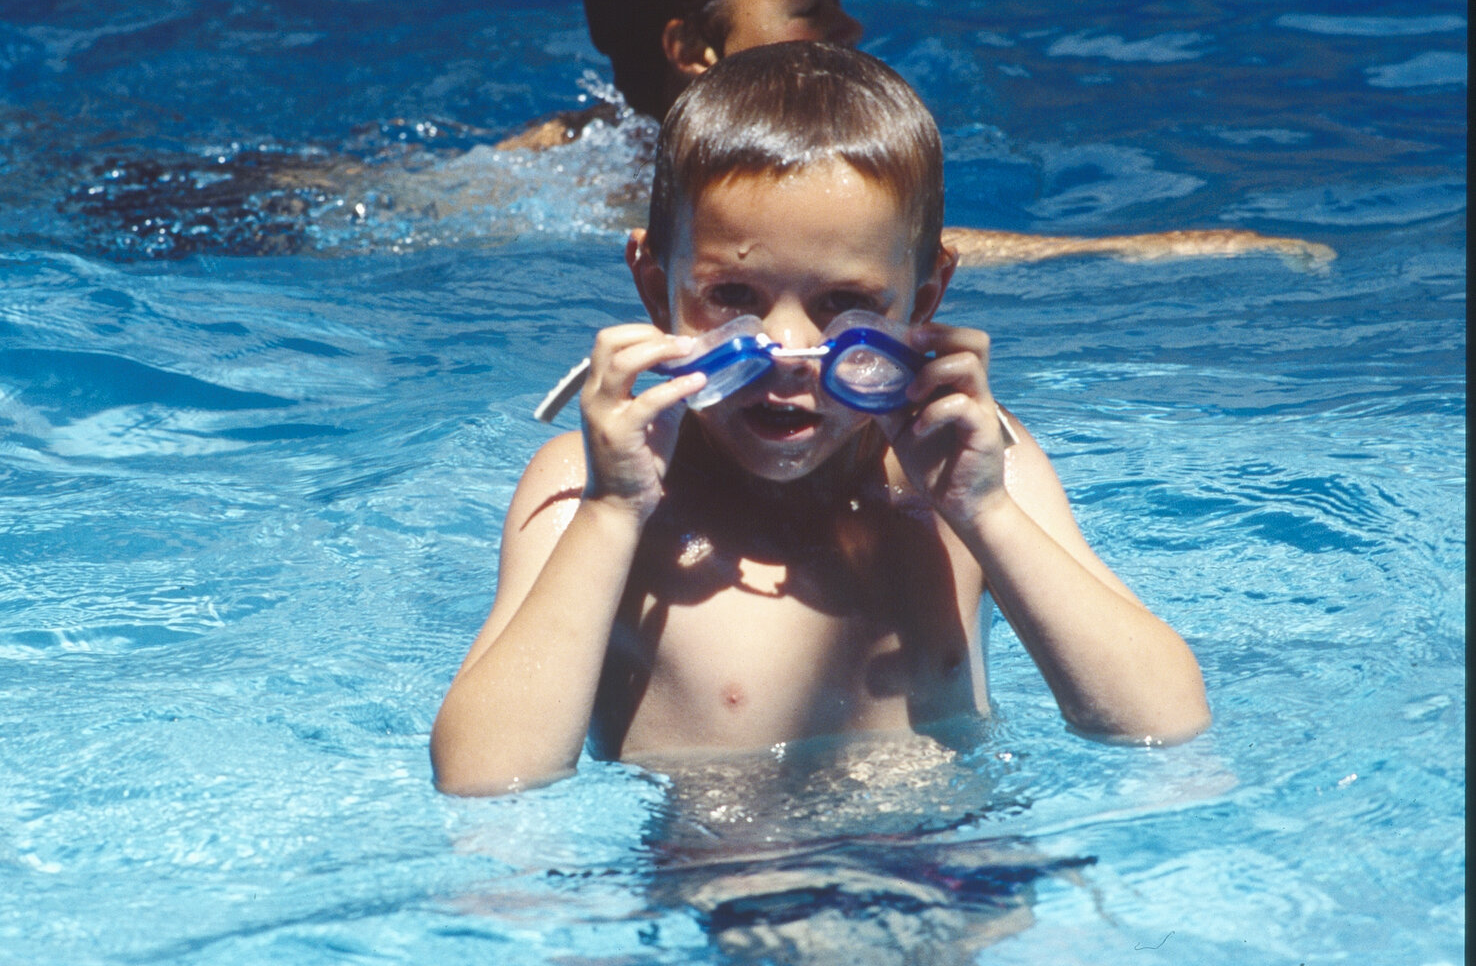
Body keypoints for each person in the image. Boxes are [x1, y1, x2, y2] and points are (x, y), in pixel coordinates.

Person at [430, 41, 1211, 796]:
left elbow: (1163, 725)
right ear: (651, 282)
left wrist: (986, 513)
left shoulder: (969, 461)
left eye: (846, 305)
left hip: (950, 871)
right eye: (733, 298)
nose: (789, 354)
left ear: (926, 298)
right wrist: (611, 513)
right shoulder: (585, 488)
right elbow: (486, 776)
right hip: (731, 892)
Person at [499, 0, 1333, 270]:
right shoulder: (739, 176)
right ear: (692, 51)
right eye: (812, 6)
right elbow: (924, 246)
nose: (851, 24)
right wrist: (1181, 245)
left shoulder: (563, 143)